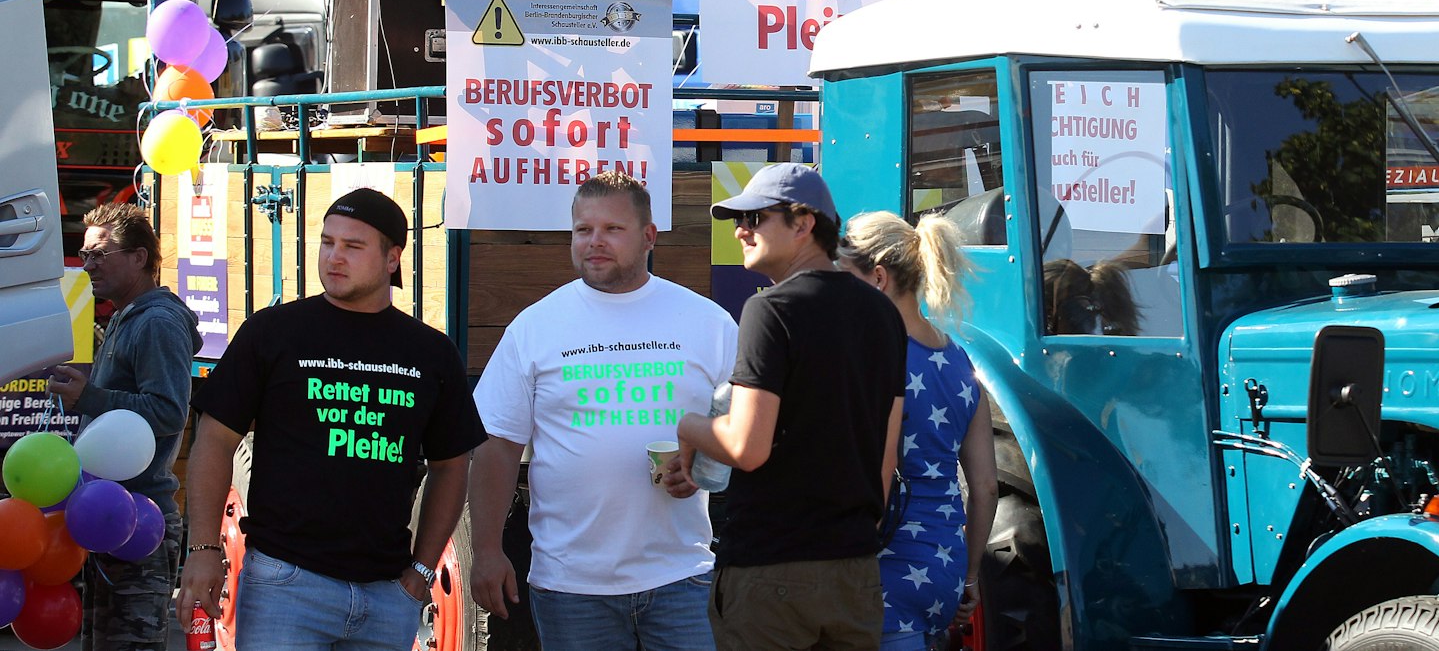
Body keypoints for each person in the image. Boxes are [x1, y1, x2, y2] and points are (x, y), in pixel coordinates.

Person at [176, 188, 486, 651]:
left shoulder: (430, 352)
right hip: (286, 588)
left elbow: (451, 465)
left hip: (387, 597)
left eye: (353, 246)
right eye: (327, 242)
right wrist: (203, 549)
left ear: (392, 258)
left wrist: (420, 574)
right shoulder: (273, 333)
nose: (333, 257)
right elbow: (215, 439)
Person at [469, 173, 737, 650]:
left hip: (683, 576)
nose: (595, 242)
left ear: (649, 236)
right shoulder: (536, 326)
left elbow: (741, 425)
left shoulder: (707, 321)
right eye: (582, 230)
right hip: (572, 586)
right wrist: (486, 549)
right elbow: (498, 443)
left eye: (613, 229)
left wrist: (704, 469)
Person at [677, 163, 906, 651]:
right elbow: (886, 457)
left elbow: (747, 446)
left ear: (803, 224)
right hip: (855, 573)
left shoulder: (770, 309)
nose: (741, 231)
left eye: (756, 218)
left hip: (771, 574)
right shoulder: (883, 311)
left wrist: (689, 427)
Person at [837, 212, 996, 651]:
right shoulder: (961, 361)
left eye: (845, 279)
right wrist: (970, 576)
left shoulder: (870, 357)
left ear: (878, 279)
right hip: (944, 567)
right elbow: (984, 487)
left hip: (882, 568)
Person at [48, 204, 201, 651]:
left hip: (139, 518)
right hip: (110, 513)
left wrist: (90, 397)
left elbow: (168, 412)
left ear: (139, 258)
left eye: (100, 253)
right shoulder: (126, 315)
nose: (89, 264)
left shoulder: (155, 322)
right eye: (85, 253)